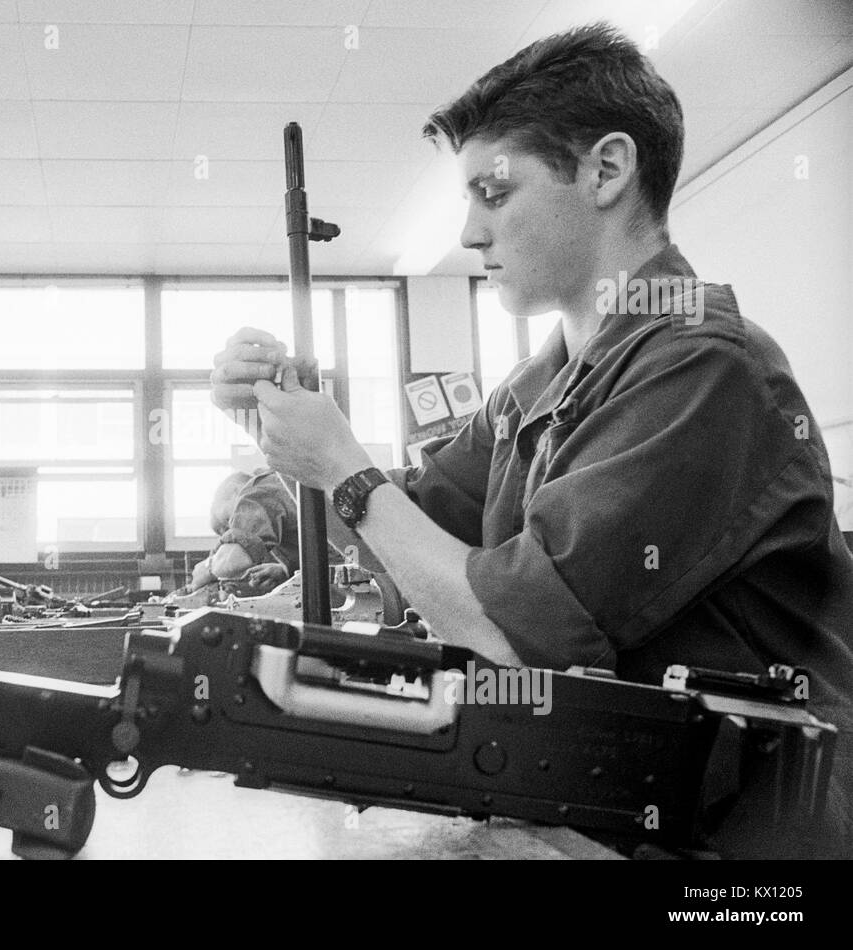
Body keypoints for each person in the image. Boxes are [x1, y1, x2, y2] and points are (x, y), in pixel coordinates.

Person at [210, 23, 853, 856]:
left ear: (607, 170)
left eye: (495, 193)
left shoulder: (707, 369)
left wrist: (341, 467)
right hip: (607, 812)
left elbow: (518, 631)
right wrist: (286, 429)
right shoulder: (534, 387)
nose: (471, 232)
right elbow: (414, 530)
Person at [185, 468, 299, 594]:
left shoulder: (258, 491)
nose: (232, 528)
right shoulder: (280, 486)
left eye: (228, 518)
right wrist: (285, 570)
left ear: (234, 490)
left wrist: (208, 568)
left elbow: (233, 562)